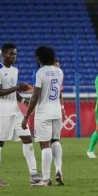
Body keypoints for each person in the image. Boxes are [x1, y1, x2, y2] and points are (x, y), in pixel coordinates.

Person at [0, 43, 41, 187]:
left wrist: (23, 100)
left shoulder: (15, 70)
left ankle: (33, 175)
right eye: (11, 54)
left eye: (15, 54)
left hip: (16, 112)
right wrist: (18, 87)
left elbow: (12, 91)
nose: (14, 56)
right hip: (2, 113)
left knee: (28, 139)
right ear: (4, 54)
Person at [22, 46, 65, 186]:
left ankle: (46, 179)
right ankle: (58, 169)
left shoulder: (40, 72)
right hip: (56, 112)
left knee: (44, 145)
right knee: (56, 141)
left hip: (44, 113)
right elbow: (56, 91)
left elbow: (36, 96)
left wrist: (26, 115)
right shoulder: (59, 71)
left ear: (39, 58)